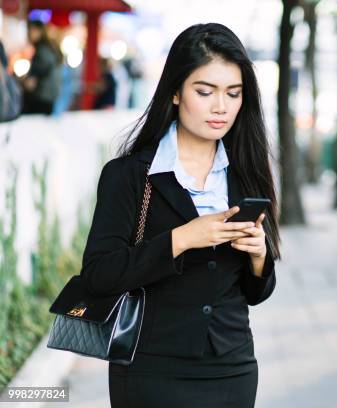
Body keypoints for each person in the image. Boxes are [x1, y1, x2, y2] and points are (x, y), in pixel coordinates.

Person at [79, 23, 281, 407]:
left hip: (231, 369)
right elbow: (98, 275)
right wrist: (183, 238)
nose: (221, 107)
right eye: (205, 92)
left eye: (233, 93)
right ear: (175, 92)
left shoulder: (247, 174)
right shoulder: (130, 175)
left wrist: (258, 258)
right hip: (149, 369)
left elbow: (255, 294)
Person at [21, 20, 61, 115]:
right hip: (49, 97)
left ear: (38, 31)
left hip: (41, 97)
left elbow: (36, 74)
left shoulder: (42, 50)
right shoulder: (49, 47)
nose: (28, 34)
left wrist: (25, 80)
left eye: (30, 30)